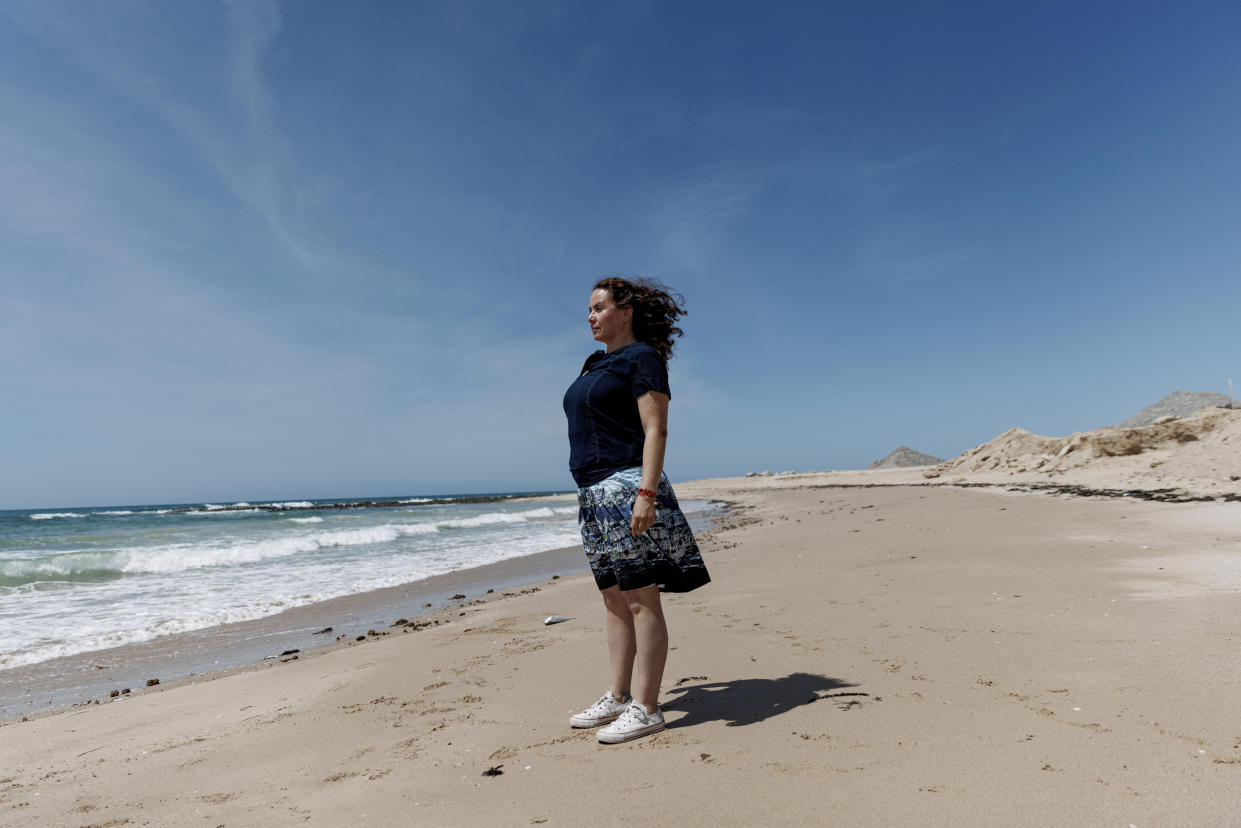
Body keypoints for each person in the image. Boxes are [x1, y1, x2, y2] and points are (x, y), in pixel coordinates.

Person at [562, 275, 711, 744]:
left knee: (642, 597)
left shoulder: (642, 358)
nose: (590, 316)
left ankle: (647, 707)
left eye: (599, 308)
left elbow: (656, 430)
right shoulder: (593, 363)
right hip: (592, 493)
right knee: (613, 596)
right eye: (588, 309)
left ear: (625, 312)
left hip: (627, 488)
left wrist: (646, 494)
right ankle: (619, 695)